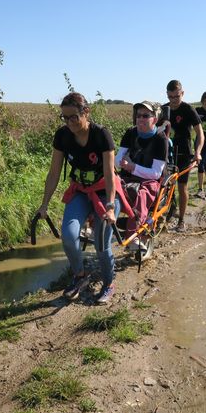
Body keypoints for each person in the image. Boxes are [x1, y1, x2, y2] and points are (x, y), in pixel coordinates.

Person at [37, 92, 132, 305]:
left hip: (105, 193)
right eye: (65, 117)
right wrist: (44, 205)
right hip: (80, 191)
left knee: (101, 243)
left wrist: (109, 206)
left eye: (73, 117)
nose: (69, 122)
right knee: (69, 236)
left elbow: (109, 174)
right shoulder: (62, 136)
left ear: (86, 112)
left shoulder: (101, 135)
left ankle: (108, 283)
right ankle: (79, 277)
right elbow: (53, 173)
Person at [115, 101, 168, 253]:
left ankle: (133, 235)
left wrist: (132, 167)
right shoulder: (130, 133)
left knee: (142, 194)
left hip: (150, 181)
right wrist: (124, 164)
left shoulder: (160, 139)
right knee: (107, 185)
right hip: (128, 176)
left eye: (146, 116)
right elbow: (118, 161)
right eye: (138, 116)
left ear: (155, 120)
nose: (141, 119)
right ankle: (93, 225)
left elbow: (156, 173)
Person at [162, 80, 204, 232]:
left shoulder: (188, 110)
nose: (173, 100)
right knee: (163, 186)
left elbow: (200, 134)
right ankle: (165, 212)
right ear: (167, 95)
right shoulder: (163, 110)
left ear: (182, 93)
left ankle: (181, 220)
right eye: (170, 96)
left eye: (176, 96)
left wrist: (198, 152)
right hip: (166, 154)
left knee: (181, 187)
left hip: (184, 153)